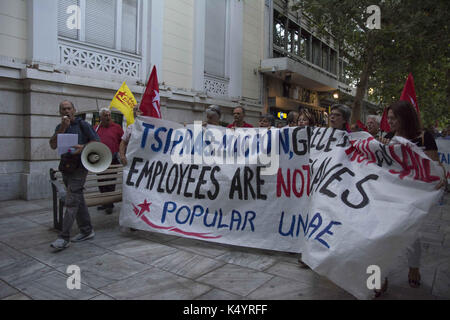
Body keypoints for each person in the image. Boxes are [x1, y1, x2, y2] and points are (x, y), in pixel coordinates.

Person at [376, 100, 447, 296]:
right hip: (389, 195)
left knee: (411, 234)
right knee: (379, 237)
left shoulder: (424, 138)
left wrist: (441, 177)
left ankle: (414, 266)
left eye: (393, 118)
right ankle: (378, 277)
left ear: (405, 117)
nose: (390, 122)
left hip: (412, 198)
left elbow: (435, 165)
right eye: (388, 118)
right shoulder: (388, 137)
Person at [49, 100, 100, 251]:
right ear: (60, 112)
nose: (66, 111)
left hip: (80, 167)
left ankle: (64, 237)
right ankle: (87, 230)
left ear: (74, 110)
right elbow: (52, 145)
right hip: (66, 167)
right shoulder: (60, 127)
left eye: (69, 108)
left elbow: (97, 142)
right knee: (78, 199)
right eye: (63, 109)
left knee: (71, 201)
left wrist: (82, 147)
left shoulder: (83, 125)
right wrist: (62, 129)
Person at [94, 108, 124, 214]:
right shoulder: (96, 128)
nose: (108, 117)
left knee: (111, 181)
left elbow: (122, 142)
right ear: (100, 117)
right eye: (105, 115)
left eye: (109, 115)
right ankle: (104, 202)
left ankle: (109, 204)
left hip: (113, 159)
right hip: (100, 159)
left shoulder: (117, 128)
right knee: (101, 182)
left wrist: (121, 154)